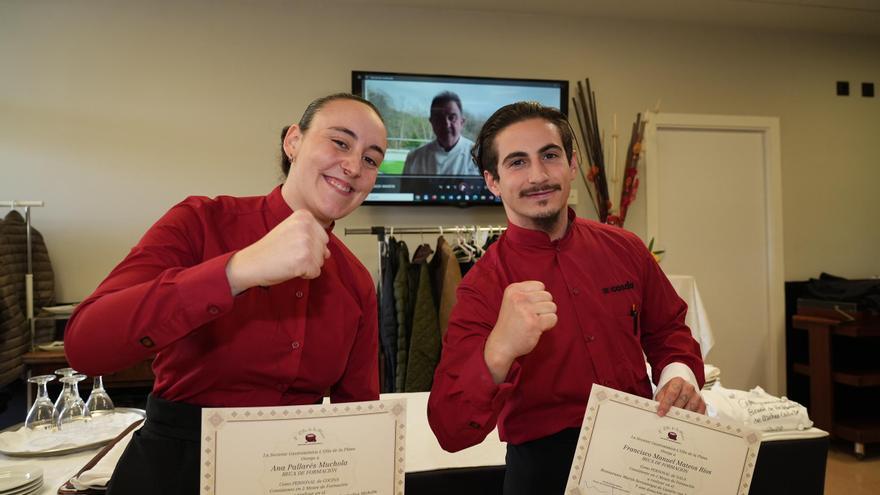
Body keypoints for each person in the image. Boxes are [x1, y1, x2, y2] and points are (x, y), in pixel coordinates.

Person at [64, 93, 388, 495]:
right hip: (175, 468)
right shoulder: (199, 222)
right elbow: (86, 345)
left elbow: (356, 419)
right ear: (293, 141)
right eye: (340, 142)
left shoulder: (356, 281)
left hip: (293, 473)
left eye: (371, 159)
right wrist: (236, 271)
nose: (354, 166)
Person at [427, 102, 706, 494]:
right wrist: (498, 351)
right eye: (517, 162)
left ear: (572, 164)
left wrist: (678, 374)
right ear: (492, 180)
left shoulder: (625, 248)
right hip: (542, 472)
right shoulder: (481, 288)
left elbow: (668, 331)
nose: (538, 175)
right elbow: (449, 428)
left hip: (641, 457)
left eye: (550, 156)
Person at [402, 91, 479, 176]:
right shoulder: (414, 158)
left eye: (452, 117)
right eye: (439, 118)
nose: (446, 124)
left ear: (462, 122)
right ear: (432, 122)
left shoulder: (479, 156)